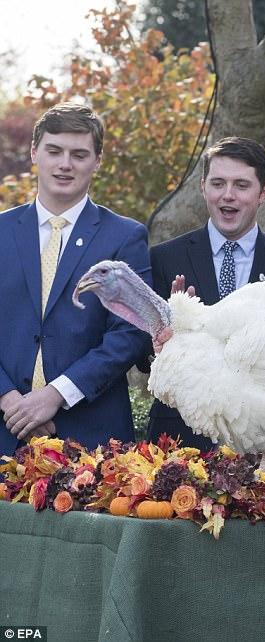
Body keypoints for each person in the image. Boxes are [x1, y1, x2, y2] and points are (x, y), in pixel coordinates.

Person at [0, 103, 151, 455]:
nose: (65, 164)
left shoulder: (125, 238)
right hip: (4, 427)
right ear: (35, 152)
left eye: (79, 154)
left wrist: (55, 395)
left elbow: (129, 333)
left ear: (97, 161)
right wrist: (11, 402)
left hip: (91, 438)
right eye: (55, 151)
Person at [146, 137, 265, 451]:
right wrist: (161, 344)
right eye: (218, 183)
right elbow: (139, 356)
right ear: (203, 187)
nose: (227, 195)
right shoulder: (163, 259)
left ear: (263, 193)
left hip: (260, 444)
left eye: (241, 185)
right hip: (178, 439)